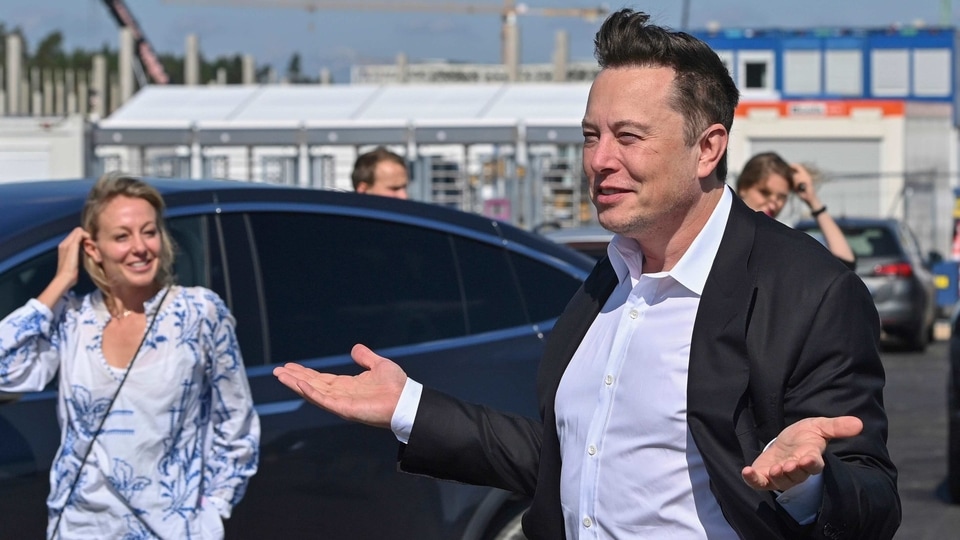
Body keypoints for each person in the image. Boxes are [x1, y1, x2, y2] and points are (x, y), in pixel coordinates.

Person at [274, 9, 900, 539]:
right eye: (591, 135)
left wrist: (811, 484)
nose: (600, 160)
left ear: (707, 148)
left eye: (628, 136)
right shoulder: (612, 274)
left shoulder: (810, 291)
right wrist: (408, 407)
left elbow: (875, 500)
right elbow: (565, 457)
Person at [0, 173, 260, 539]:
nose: (140, 247)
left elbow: (237, 426)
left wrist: (211, 515)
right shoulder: (74, 319)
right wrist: (59, 283)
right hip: (80, 529)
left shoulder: (198, 313)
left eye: (149, 232)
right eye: (122, 236)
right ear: (93, 249)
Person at [737, 151, 856, 268]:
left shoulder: (781, 244)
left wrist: (813, 202)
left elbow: (845, 264)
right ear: (743, 188)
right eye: (764, 193)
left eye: (781, 197)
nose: (773, 205)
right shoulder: (725, 231)